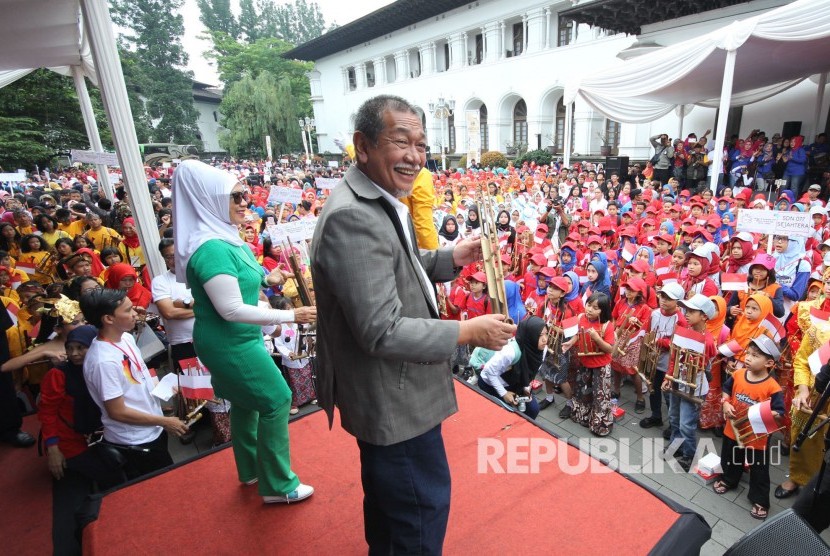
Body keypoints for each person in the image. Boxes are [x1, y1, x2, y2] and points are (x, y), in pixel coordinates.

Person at [310, 95, 515, 554]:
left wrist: (448, 258)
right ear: (362, 145)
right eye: (401, 142)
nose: (415, 157)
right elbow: (381, 328)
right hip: (393, 401)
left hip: (389, 395)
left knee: (390, 509)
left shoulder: (376, 197)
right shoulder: (354, 216)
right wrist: (467, 332)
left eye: (421, 145)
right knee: (417, 515)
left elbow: (392, 269)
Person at [172, 159, 317, 504]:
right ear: (209, 199)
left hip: (236, 339)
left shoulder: (223, 238)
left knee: (246, 403)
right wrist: (291, 315)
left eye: (245, 195)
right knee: (277, 399)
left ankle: (251, 471)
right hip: (230, 342)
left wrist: (266, 280)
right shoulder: (213, 248)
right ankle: (279, 485)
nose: (244, 203)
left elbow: (236, 289)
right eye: (234, 196)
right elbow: (231, 309)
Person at [80, 289, 187, 479]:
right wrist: (165, 421)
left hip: (152, 429)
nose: (135, 314)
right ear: (108, 319)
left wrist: (164, 387)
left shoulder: (126, 338)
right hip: (135, 439)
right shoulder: (103, 361)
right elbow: (117, 411)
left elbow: (138, 377)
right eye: (128, 310)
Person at [714, 335, 784, 521]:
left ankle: (760, 499)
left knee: (759, 468)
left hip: (756, 436)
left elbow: (779, 411)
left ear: (769, 362)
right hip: (733, 428)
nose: (748, 358)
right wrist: (726, 403)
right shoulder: (738, 374)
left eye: (755, 356)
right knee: (730, 457)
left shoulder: (773, 387)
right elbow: (726, 390)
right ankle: (729, 479)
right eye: (748, 353)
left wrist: (762, 412)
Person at [475, 316, 546, 419]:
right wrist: (504, 394)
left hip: (515, 383)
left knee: (532, 409)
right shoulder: (510, 352)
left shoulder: (542, 350)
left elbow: (530, 372)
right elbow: (488, 371)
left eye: (546, 334)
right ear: (530, 336)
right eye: (540, 335)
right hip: (491, 383)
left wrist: (526, 388)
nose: (545, 339)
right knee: (502, 414)